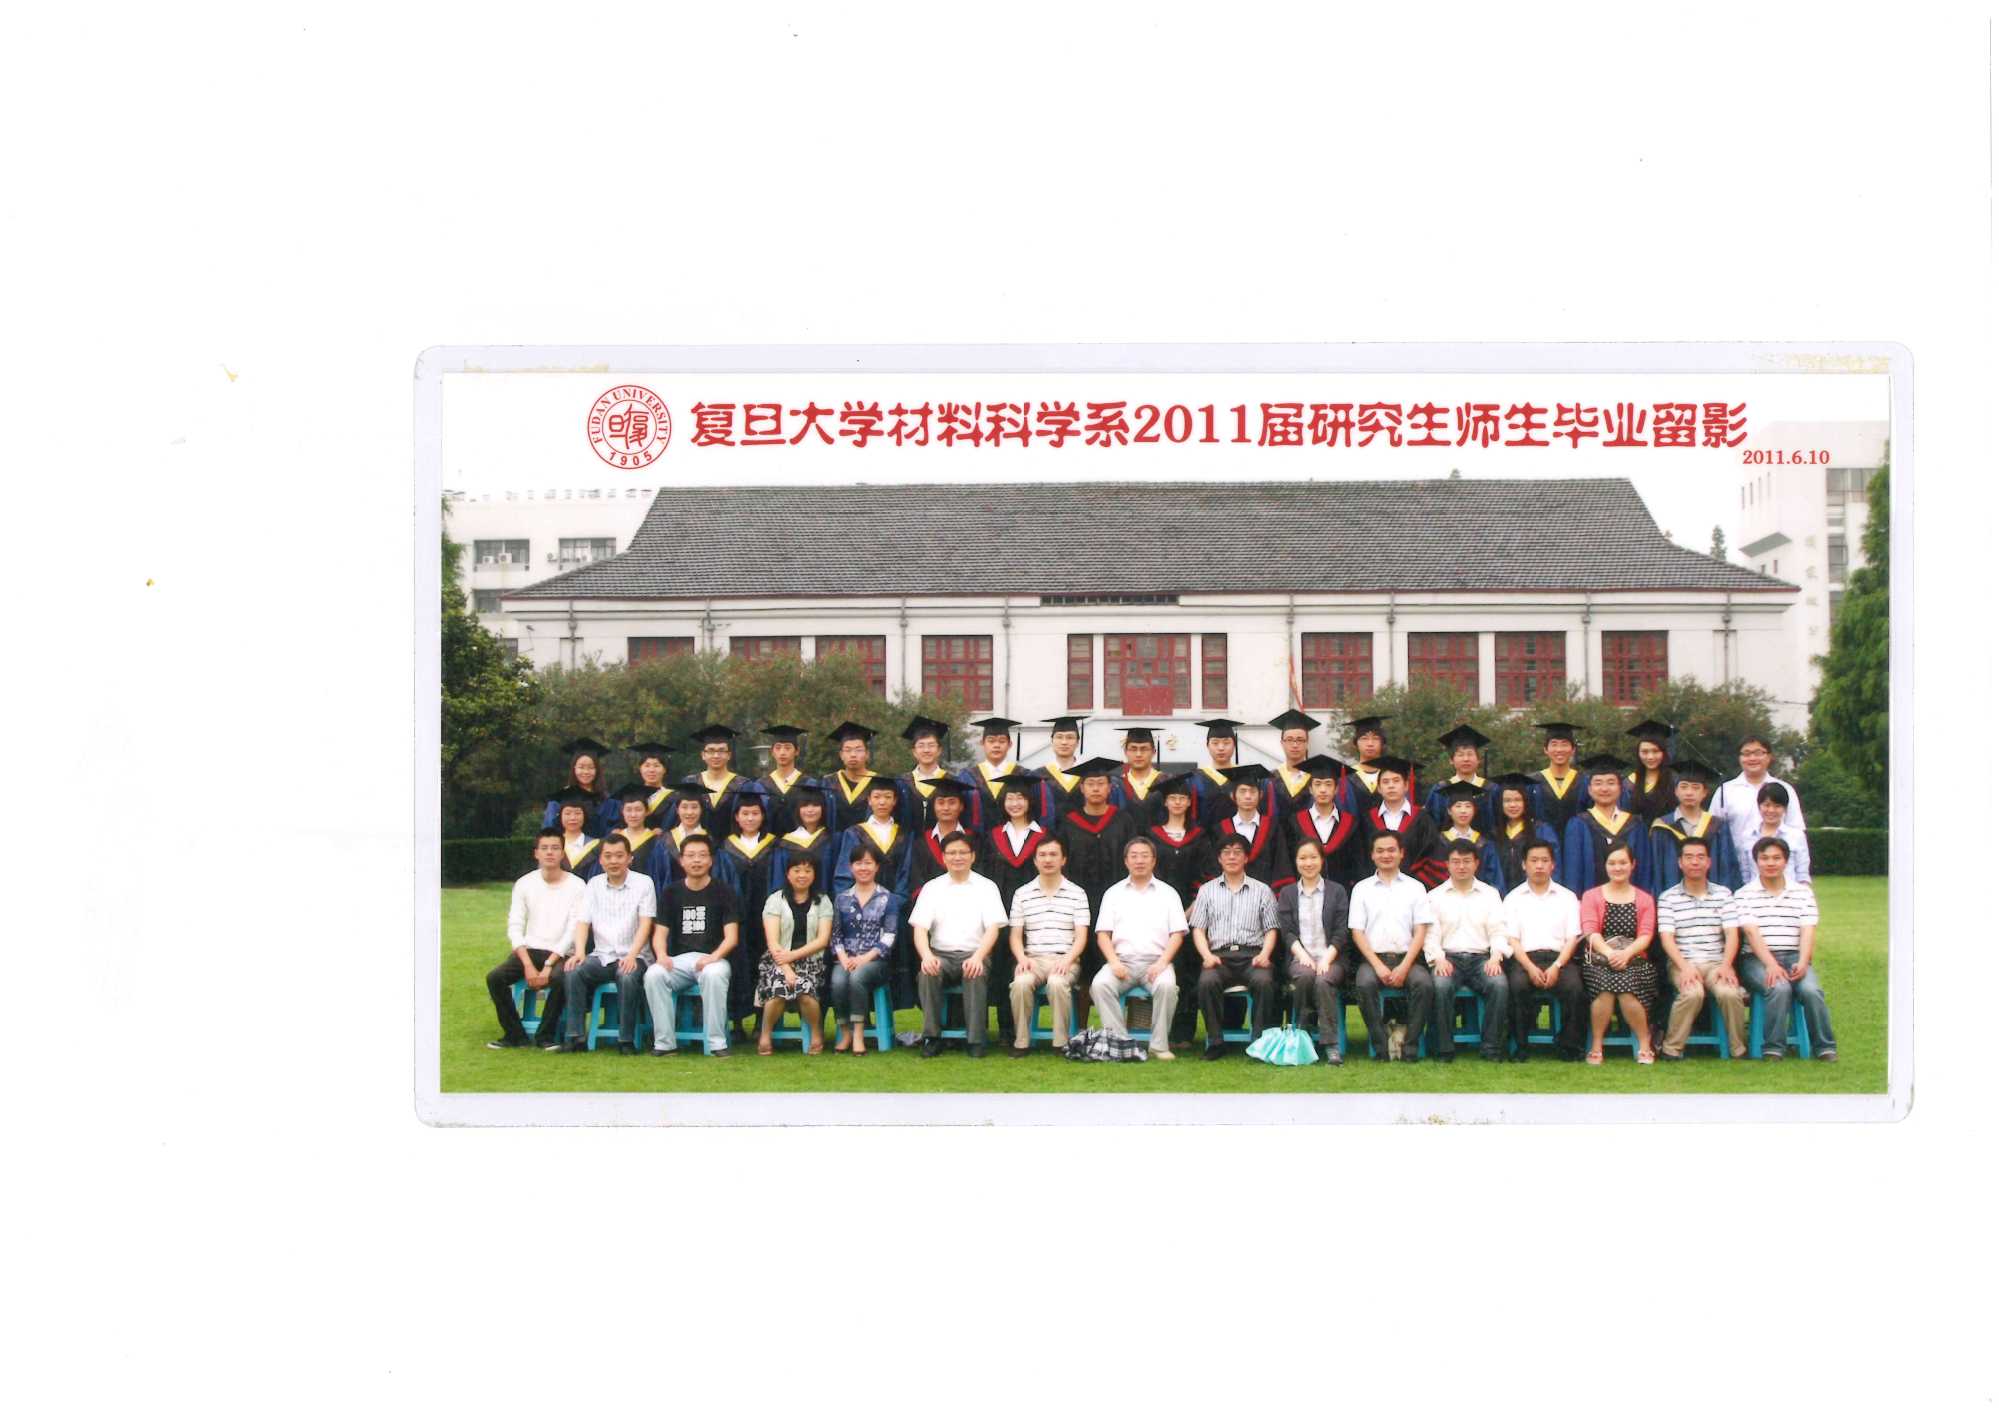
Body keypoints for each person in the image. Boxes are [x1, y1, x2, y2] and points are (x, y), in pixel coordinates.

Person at [1734, 837, 1837, 1061]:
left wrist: (1804, 961)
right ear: (1756, 861)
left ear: (1786, 861)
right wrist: (1771, 964)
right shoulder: (1743, 894)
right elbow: (1751, 933)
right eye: (1764, 858)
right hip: (1755, 959)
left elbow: (1808, 930)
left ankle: (1825, 1047)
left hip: (1794, 956)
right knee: (1778, 987)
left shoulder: (1803, 893)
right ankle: (1773, 1048)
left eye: (1776, 858)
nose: (1770, 863)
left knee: (1811, 990)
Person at [554, 833, 658, 1054]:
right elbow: (583, 922)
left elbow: (646, 924)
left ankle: (626, 1040)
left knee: (627, 975)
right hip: (601, 956)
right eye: (608, 856)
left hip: (635, 956)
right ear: (601, 860)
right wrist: (579, 952)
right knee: (573, 970)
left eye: (619, 856)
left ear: (629, 858)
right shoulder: (594, 884)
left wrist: (632, 955)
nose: (614, 861)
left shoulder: (644, 883)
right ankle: (575, 1037)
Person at [909, 832, 1009, 1058]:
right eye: (952, 853)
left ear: (973, 856)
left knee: (975, 971)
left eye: (963, 852)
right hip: (940, 954)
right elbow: (920, 928)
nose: (957, 857)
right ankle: (932, 1037)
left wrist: (978, 957)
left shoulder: (986, 887)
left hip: (975, 952)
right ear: (943, 857)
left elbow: (993, 928)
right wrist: (926, 956)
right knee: (927, 972)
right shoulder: (932, 888)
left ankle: (976, 1040)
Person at [1088, 836, 1187, 1061]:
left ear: (1154, 860)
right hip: (1121, 961)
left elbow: (1177, 934)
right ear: (1126, 861)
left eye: (1144, 856)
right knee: (1100, 985)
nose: (1139, 861)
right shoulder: (1113, 893)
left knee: (1167, 987)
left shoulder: (1168, 893)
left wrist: (1162, 963)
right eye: (1134, 856)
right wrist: (1113, 962)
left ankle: (1159, 1045)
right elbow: (1103, 934)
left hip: (1157, 962)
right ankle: (1121, 1043)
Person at [484, 828, 585, 1049]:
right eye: (544, 848)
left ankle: (545, 1036)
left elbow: (573, 929)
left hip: (561, 953)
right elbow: (515, 925)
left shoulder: (577, 885)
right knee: (495, 978)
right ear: (536, 853)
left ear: (562, 853)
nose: (550, 853)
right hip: (529, 950)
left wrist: (549, 964)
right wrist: (527, 964)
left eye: (555, 848)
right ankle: (515, 1035)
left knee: (562, 978)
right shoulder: (524, 883)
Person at [642, 833, 741, 1057]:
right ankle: (665, 1043)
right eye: (691, 855)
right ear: (681, 860)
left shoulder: (724, 891)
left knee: (713, 975)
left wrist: (713, 957)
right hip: (680, 960)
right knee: (654, 974)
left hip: (714, 959)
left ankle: (717, 1043)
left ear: (711, 860)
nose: (697, 860)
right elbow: (660, 933)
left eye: (702, 855)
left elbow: (731, 937)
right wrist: (661, 955)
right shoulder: (671, 892)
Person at [1654, 835, 1750, 1060]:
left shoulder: (1724, 894)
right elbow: (1667, 939)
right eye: (1689, 857)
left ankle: (1739, 1049)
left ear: (1709, 862)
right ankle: (1671, 1049)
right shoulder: (1668, 898)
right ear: (1680, 863)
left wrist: (1726, 965)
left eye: (1700, 857)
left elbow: (1732, 934)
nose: (1695, 862)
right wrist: (1684, 967)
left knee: (1729, 993)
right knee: (1692, 993)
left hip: (1716, 962)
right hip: (1682, 962)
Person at [1188, 835, 1281, 1059]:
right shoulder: (1207, 891)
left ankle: (1259, 1042)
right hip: (1219, 957)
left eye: (1237, 852)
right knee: (1207, 982)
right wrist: (1206, 955)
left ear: (1246, 858)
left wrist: (1265, 954)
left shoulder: (1262, 890)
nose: (1232, 857)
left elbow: (1271, 929)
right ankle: (1215, 1041)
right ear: (1219, 858)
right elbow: (1198, 929)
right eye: (1226, 852)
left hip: (1253, 955)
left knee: (1264, 981)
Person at [1055, 757, 1136, 1008]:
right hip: (1079, 905)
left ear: (1110, 788)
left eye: (1101, 783)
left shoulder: (1124, 820)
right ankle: (1080, 1026)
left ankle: (1120, 1025)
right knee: (1083, 967)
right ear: (1082, 788)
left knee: (1119, 961)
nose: (1096, 789)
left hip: (1118, 904)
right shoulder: (1068, 823)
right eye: (1090, 784)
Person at [1348, 831, 1436, 1061]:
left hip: (1408, 958)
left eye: (1391, 850)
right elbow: (1357, 932)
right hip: (1373, 959)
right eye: (1380, 851)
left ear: (1401, 853)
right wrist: (1378, 966)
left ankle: (1410, 1047)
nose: (1386, 855)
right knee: (1364, 984)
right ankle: (1381, 1047)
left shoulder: (1415, 887)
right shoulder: (1362, 889)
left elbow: (1420, 930)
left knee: (1424, 984)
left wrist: (1404, 966)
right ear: (1372, 855)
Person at [1143, 774, 1215, 1046]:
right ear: (1165, 802)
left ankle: (1184, 1034)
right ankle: (1155, 1029)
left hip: (1193, 915)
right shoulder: (1152, 836)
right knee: (1158, 969)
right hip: (1157, 916)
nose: (1177, 802)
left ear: (1188, 803)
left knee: (1187, 972)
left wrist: (1188, 912)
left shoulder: (1200, 837)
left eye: (1182, 798)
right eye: (1172, 798)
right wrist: (1167, 916)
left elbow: (1207, 878)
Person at [1004, 836, 1092, 1053]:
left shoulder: (1077, 893)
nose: (1048, 859)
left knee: (1056, 982)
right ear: (1035, 860)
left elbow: (1081, 937)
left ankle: (1060, 1042)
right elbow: (1015, 936)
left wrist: (1067, 960)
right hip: (1033, 959)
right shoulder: (1022, 893)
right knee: (1021, 983)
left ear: (1063, 860)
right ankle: (1021, 1042)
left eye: (1053, 854)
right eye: (1042, 855)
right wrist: (1022, 959)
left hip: (1066, 958)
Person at [1426, 839, 1511, 1062]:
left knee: (1499, 984)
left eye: (1466, 861)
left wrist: (1496, 957)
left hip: (1481, 958)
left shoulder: (1490, 894)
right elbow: (1430, 935)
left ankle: (1491, 1048)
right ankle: (1443, 1049)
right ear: (1447, 864)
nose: (1461, 866)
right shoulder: (1435, 896)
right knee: (1441, 985)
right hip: (1448, 957)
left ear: (1476, 863)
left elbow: (1498, 930)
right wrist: (1438, 959)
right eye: (1456, 862)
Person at [1501, 841, 1586, 1061]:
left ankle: (1569, 1046)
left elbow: (1572, 938)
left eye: (1544, 860)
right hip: (1525, 959)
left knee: (1575, 988)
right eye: (1534, 860)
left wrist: (1557, 966)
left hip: (1560, 958)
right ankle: (1520, 1046)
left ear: (1553, 865)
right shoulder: (1513, 898)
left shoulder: (1567, 897)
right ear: (1524, 864)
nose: (1539, 865)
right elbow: (1512, 940)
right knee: (1517, 985)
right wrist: (1530, 967)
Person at [1577, 842, 1658, 1065]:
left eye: (1623, 862)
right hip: (1599, 959)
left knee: (1626, 989)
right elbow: (1590, 931)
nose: (1618, 867)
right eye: (1612, 863)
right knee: (1604, 988)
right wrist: (1611, 953)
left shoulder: (1645, 899)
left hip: (1635, 960)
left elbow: (1646, 935)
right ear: (1605, 866)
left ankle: (1644, 1043)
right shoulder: (1591, 896)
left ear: (1633, 865)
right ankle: (1596, 1045)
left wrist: (1626, 954)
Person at [1276, 838, 1353, 1064]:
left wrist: (1327, 959)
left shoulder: (1337, 891)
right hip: (1300, 957)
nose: (1308, 863)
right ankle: (1303, 1032)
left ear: (1322, 860)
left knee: (1323, 980)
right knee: (1305, 975)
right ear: (1296, 861)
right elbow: (1287, 932)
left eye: (1313, 857)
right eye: (1302, 858)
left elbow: (1341, 931)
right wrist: (1303, 956)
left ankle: (1330, 1045)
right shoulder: (1287, 893)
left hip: (1332, 958)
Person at [713, 785, 781, 1040]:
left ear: (762, 816)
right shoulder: (725, 848)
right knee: (737, 964)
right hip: (737, 919)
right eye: (745, 814)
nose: (750, 818)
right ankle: (737, 1022)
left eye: (755, 813)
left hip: (765, 918)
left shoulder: (775, 846)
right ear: (737, 817)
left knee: (765, 963)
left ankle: (763, 1020)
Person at [754, 853, 834, 1055]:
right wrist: (786, 967)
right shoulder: (775, 900)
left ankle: (816, 1033)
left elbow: (822, 940)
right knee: (779, 990)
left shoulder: (823, 901)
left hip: (811, 962)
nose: (802, 875)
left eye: (808, 870)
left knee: (805, 992)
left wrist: (794, 956)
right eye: (797, 870)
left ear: (814, 874)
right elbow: (773, 942)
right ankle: (765, 1034)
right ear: (788, 874)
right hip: (777, 960)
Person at [828, 842, 900, 1054]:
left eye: (868, 863)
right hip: (846, 959)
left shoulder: (887, 898)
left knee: (857, 977)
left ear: (877, 867)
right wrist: (843, 958)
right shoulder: (842, 899)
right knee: (838, 980)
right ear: (851, 867)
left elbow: (889, 935)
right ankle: (845, 1032)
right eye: (858, 863)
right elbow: (836, 934)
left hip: (876, 961)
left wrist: (865, 958)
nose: (863, 868)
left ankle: (858, 1034)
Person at [1560, 754, 1654, 896]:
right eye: (1598, 783)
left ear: (1620, 788)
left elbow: (1644, 871)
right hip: (1590, 904)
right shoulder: (1578, 825)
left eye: (1611, 783)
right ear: (1589, 789)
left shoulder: (1635, 825)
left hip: (1630, 902)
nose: (1604, 789)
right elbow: (1572, 872)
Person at [1718, 736, 1806, 881]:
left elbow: (1796, 830)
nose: (1752, 758)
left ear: (1769, 756)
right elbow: (1716, 832)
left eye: (1758, 753)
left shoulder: (1785, 789)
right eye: (1746, 753)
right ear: (1739, 758)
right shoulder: (1725, 791)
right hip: (1737, 870)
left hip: (1783, 873)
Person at [1648, 756, 1741, 893]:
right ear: (1676, 791)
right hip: (1672, 900)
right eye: (1684, 787)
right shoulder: (1662, 827)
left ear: (1705, 793)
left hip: (1712, 900)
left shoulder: (1717, 827)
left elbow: (1727, 869)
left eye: (1695, 788)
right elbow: (1655, 871)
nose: (1689, 792)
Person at [1362, 756, 1447, 888]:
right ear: (1379, 788)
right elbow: (1361, 858)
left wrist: (1413, 884)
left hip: (1413, 888)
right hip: (1375, 887)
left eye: (1396, 781)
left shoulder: (1422, 819)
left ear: (1406, 785)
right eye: (1385, 782)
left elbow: (1434, 855)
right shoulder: (1367, 819)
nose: (1391, 786)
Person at [1283, 754, 1364, 889]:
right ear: (1310, 789)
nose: (1323, 790)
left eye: (1328, 784)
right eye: (1317, 784)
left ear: (1336, 789)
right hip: (1304, 892)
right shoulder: (1294, 822)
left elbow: (1358, 864)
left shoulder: (1351, 824)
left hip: (1342, 893)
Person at [830, 775, 913, 898]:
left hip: (895, 903)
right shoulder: (854, 833)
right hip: (859, 903)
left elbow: (905, 874)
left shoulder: (904, 835)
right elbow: (845, 874)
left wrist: (896, 901)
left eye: (888, 797)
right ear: (869, 800)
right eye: (876, 797)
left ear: (895, 801)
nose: (882, 802)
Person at [1487, 774, 1561, 895]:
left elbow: (1554, 868)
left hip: (1536, 896)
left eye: (1518, 800)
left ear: (1526, 802)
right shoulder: (1493, 836)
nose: (1512, 805)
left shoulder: (1541, 831)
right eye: (1507, 801)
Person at [1213, 763, 1284, 887]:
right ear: (1233, 796)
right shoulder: (1220, 830)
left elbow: (1281, 865)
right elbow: (1214, 867)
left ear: (1260, 795)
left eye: (1252, 792)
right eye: (1243, 791)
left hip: (1265, 894)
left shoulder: (1273, 828)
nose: (1248, 796)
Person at [1192, 718, 1265, 828]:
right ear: (1207, 745)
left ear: (1234, 745)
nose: (1221, 748)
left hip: (1239, 836)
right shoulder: (1195, 779)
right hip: (1204, 836)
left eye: (1226, 743)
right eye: (1215, 743)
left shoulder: (1244, 776)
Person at [1423, 724, 1498, 830]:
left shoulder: (1492, 789)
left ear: (1478, 760)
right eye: (1460, 755)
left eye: (1470, 754)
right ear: (1451, 760)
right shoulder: (1439, 790)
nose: (1466, 759)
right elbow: (1430, 826)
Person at [1435, 779, 1504, 892]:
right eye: (1458, 806)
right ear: (1449, 811)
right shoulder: (1439, 842)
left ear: (1474, 810)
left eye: (1468, 806)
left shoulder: (1485, 844)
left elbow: (1495, 880)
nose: (1463, 811)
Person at [959, 716, 1023, 833]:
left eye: (1002, 741)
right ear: (982, 743)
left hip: (1014, 839)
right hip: (976, 839)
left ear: (1010, 744)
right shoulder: (967, 776)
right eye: (991, 741)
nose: (996, 745)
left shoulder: (1022, 775)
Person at [771, 782, 838, 893]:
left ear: (823, 808)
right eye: (805, 805)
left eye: (815, 805)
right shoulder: (785, 844)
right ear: (797, 809)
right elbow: (779, 881)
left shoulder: (832, 841)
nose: (810, 810)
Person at [609, 784, 673, 898]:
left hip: (648, 901)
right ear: (622, 812)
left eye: (638, 809)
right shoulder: (613, 841)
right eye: (628, 810)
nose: (633, 814)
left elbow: (663, 878)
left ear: (647, 811)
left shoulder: (657, 843)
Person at [681, 724, 748, 832]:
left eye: (721, 751)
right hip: (697, 841)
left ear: (729, 755)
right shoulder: (691, 782)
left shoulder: (742, 785)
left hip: (732, 842)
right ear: (703, 755)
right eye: (711, 751)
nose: (716, 756)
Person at [1743, 782, 1812, 886]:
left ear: (1785, 808)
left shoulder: (1796, 836)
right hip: (1756, 894)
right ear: (1759, 806)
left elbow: (1802, 875)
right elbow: (1745, 874)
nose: (1771, 810)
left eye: (1777, 806)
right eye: (1766, 805)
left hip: (1790, 894)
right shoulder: (1747, 836)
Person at [895, 715, 955, 831]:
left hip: (942, 840)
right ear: (914, 752)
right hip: (909, 841)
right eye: (921, 746)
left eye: (931, 745)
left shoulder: (951, 781)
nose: (926, 750)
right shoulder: (901, 783)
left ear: (939, 750)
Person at [540, 735, 612, 831]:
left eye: (591, 767)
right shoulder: (560, 798)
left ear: (597, 770)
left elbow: (610, 831)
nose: (586, 772)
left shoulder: (606, 799)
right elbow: (548, 830)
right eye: (581, 767)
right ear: (574, 768)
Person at [823, 721, 882, 832]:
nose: (853, 755)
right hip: (834, 841)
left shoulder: (879, 783)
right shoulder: (828, 782)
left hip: (869, 841)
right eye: (848, 750)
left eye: (858, 750)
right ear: (841, 755)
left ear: (867, 754)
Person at [754, 724, 813, 836]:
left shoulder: (808, 784)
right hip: (768, 844)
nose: (782, 752)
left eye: (787, 748)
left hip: (801, 844)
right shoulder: (761, 786)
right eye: (778, 748)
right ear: (772, 752)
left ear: (797, 751)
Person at [1529, 722, 1587, 835]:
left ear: (1573, 750)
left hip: (1576, 840)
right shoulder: (1532, 783)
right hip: (1541, 842)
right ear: (1545, 749)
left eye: (1564, 744)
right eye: (1554, 744)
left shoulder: (1585, 782)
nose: (1559, 749)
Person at [1266, 709, 1323, 822]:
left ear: (1307, 743)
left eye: (1300, 740)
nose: (1295, 745)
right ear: (1282, 743)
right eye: (1289, 740)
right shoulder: (1269, 779)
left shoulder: (1318, 777)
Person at [1113, 725, 1169, 828]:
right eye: (1133, 749)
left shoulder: (1166, 782)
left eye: (1144, 749)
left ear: (1153, 752)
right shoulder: (1116, 785)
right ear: (1125, 752)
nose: (1138, 754)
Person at [1035, 714, 1089, 821]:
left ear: (1078, 742)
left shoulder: (1088, 774)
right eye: (1059, 737)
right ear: (1052, 741)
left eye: (1070, 737)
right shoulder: (1037, 776)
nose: (1064, 742)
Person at [1622, 719, 1679, 822]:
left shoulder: (1675, 781)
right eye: (1644, 752)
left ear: (1664, 753)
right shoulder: (1628, 783)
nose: (1650, 757)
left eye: (1655, 751)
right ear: (1638, 753)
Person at [659, 783, 713, 883]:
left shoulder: (711, 841)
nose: (689, 812)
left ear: (701, 810)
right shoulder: (664, 840)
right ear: (677, 810)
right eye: (684, 807)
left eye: (694, 807)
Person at [619, 741, 678, 832]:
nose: (651, 770)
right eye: (647, 765)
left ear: (664, 769)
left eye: (656, 766)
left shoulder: (673, 798)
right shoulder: (630, 795)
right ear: (640, 768)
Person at [1345, 714, 1397, 815]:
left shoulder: (1394, 775)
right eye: (1364, 738)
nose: (1370, 744)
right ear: (1355, 744)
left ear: (1383, 743)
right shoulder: (1347, 777)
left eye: (1375, 738)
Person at [552, 788, 604, 880]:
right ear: (560, 816)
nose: (572, 818)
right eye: (567, 813)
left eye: (577, 813)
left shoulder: (596, 846)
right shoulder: (552, 845)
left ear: (585, 816)